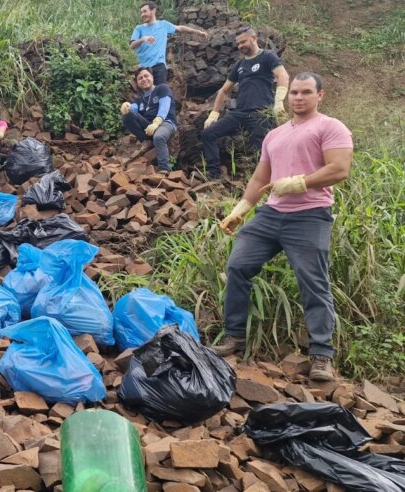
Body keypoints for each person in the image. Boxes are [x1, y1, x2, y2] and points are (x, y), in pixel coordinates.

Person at [213, 73, 353, 382]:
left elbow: (339, 168)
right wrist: (241, 210)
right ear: (287, 96)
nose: (298, 98)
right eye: (294, 93)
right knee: (238, 266)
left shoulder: (330, 127)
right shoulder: (274, 135)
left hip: (310, 215)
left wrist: (300, 181)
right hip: (270, 215)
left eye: (306, 92)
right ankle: (234, 336)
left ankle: (321, 355)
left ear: (320, 95)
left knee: (313, 282)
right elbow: (260, 178)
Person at [201, 26, 290, 179]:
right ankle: (214, 175)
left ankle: (261, 184)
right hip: (240, 113)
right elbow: (224, 90)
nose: (241, 46)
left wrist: (279, 101)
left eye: (243, 41)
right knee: (208, 133)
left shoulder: (268, 57)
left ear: (254, 38)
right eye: (238, 44)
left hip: (261, 113)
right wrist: (214, 114)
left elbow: (283, 75)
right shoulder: (240, 65)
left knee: (260, 149)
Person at [130, 1, 208, 84]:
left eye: (145, 11)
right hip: (144, 69)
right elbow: (132, 45)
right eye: (141, 12)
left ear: (153, 11)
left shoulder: (164, 25)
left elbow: (180, 28)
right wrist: (143, 39)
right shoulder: (139, 29)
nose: (142, 15)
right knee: (147, 95)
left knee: (160, 92)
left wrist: (198, 32)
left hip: (159, 66)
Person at [120, 67, 177, 172]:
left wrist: (156, 122)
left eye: (146, 76)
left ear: (152, 77)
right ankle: (146, 141)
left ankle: (164, 169)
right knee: (127, 116)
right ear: (137, 82)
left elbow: (165, 107)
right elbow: (133, 108)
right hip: (148, 126)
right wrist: (126, 106)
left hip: (166, 123)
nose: (144, 79)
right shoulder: (140, 99)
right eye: (140, 78)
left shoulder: (162, 88)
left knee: (159, 137)